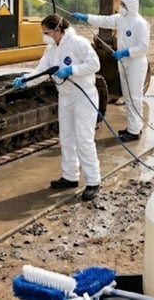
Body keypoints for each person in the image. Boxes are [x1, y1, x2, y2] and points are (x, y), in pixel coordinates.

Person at [13, 14, 102, 201]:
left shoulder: (79, 43)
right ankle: (70, 176)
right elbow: (41, 71)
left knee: (84, 139)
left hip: (83, 96)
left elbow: (95, 64)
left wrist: (72, 70)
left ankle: (93, 181)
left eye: (46, 32)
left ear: (57, 30)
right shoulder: (51, 49)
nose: (44, 35)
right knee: (67, 138)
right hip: (65, 97)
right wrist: (25, 80)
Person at [72, 0, 150, 143]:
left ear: (131, 6)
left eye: (123, 5)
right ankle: (133, 127)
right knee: (127, 96)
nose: (121, 7)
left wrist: (127, 52)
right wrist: (86, 17)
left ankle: (134, 131)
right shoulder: (121, 19)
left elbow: (143, 47)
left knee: (134, 97)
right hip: (124, 63)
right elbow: (103, 20)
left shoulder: (140, 23)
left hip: (136, 64)